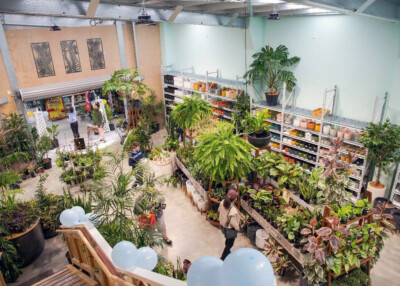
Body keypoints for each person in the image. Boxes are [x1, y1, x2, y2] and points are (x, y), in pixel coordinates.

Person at [218, 189, 240, 260]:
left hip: (223, 227)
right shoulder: (232, 210)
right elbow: (233, 222)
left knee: (227, 240)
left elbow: (219, 210)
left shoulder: (222, 202)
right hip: (229, 230)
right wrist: (238, 228)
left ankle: (227, 252)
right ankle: (223, 258)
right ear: (234, 199)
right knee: (230, 244)